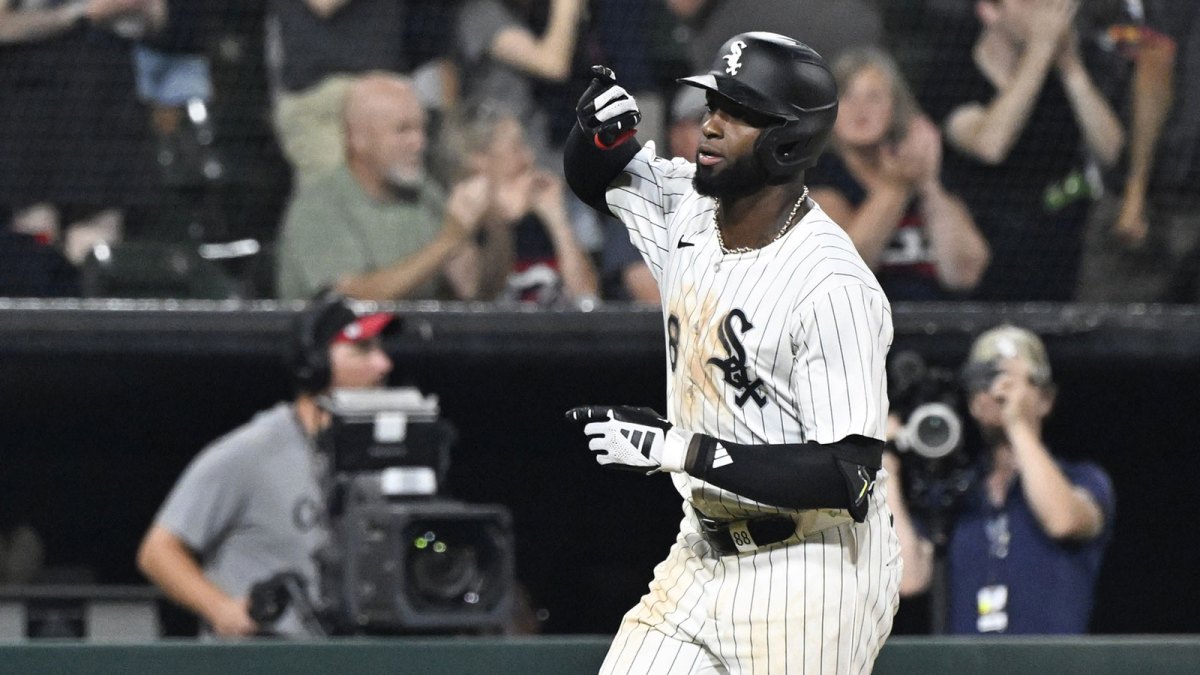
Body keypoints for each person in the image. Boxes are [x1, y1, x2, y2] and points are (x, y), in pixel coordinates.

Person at [563, 32, 900, 673]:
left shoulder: (832, 284)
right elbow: (597, 177)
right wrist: (595, 133)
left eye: (736, 114)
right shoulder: (691, 209)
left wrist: (679, 449)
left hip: (815, 572)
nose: (709, 126)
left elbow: (847, 474)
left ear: (789, 140)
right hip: (702, 551)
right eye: (712, 106)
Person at [136, 293, 396, 637]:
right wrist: (220, 609)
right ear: (313, 363)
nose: (384, 365)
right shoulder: (253, 451)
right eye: (363, 349)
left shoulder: (378, 458)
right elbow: (158, 552)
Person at [885, 324, 1115, 634]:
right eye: (985, 380)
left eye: (1011, 381)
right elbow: (908, 579)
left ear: (1045, 399)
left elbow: (1062, 520)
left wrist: (1018, 424)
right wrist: (886, 463)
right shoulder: (958, 488)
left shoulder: (1082, 478)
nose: (997, 391)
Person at [921, 0, 1125, 301]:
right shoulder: (953, 73)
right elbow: (990, 145)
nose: (1048, 13)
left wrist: (1071, 69)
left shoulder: (1078, 67)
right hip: (982, 253)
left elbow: (1112, 152)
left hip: (1063, 250)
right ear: (989, 11)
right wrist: (1040, 50)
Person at [274, 72, 500, 302]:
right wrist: (447, 241)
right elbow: (348, 300)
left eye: (421, 128)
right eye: (403, 130)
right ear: (358, 138)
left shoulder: (424, 196)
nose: (419, 143)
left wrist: (493, 223)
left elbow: (474, 292)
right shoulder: (320, 207)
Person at [808, 47, 990, 300]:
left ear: (895, 108)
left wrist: (929, 184)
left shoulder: (925, 172)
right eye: (847, 97)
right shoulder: (819, 176)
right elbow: (844, 266)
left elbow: (965, 272)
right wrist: (895, 186)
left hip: (937, 324)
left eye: (874, 97)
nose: (860, 109)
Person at [436, 99, 598, 304]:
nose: (529, 157)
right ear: (478, 158)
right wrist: (501, 221)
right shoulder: (453, 217)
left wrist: (557, 219)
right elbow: (471, 291)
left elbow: (587, 300)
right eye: (517, 147)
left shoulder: (538, 214)